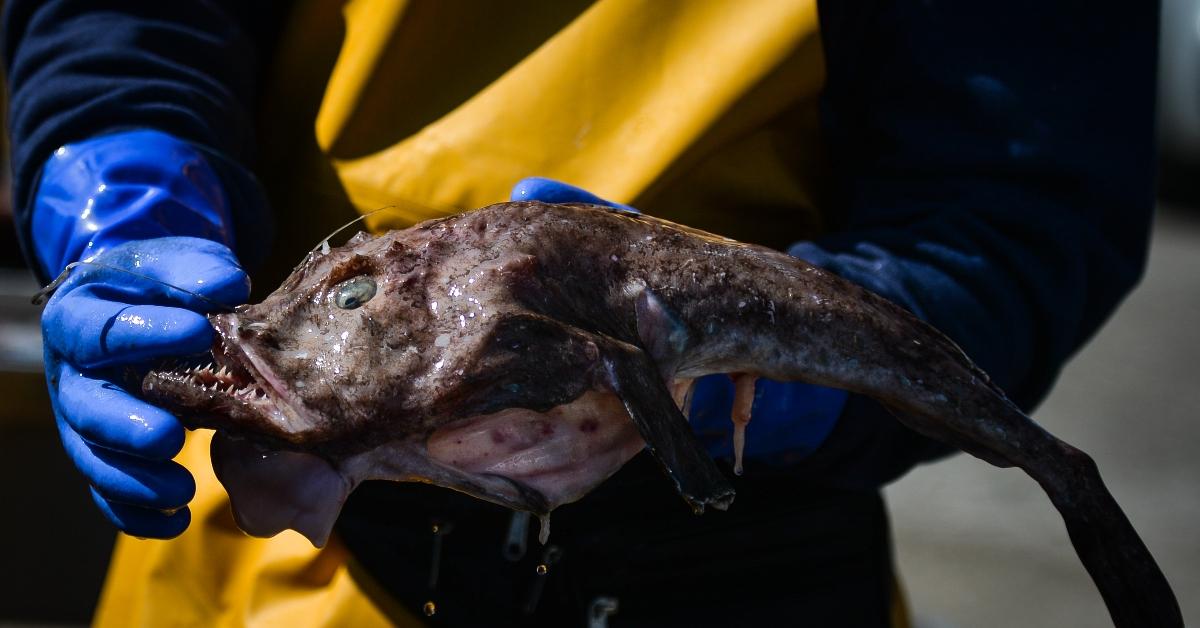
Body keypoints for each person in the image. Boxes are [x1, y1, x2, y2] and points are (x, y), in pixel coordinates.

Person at [4, 1, 1159, 626]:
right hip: (258, 588)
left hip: (751, 575)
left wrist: (765, 388)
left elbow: (1019, 196)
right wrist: (122, 179)